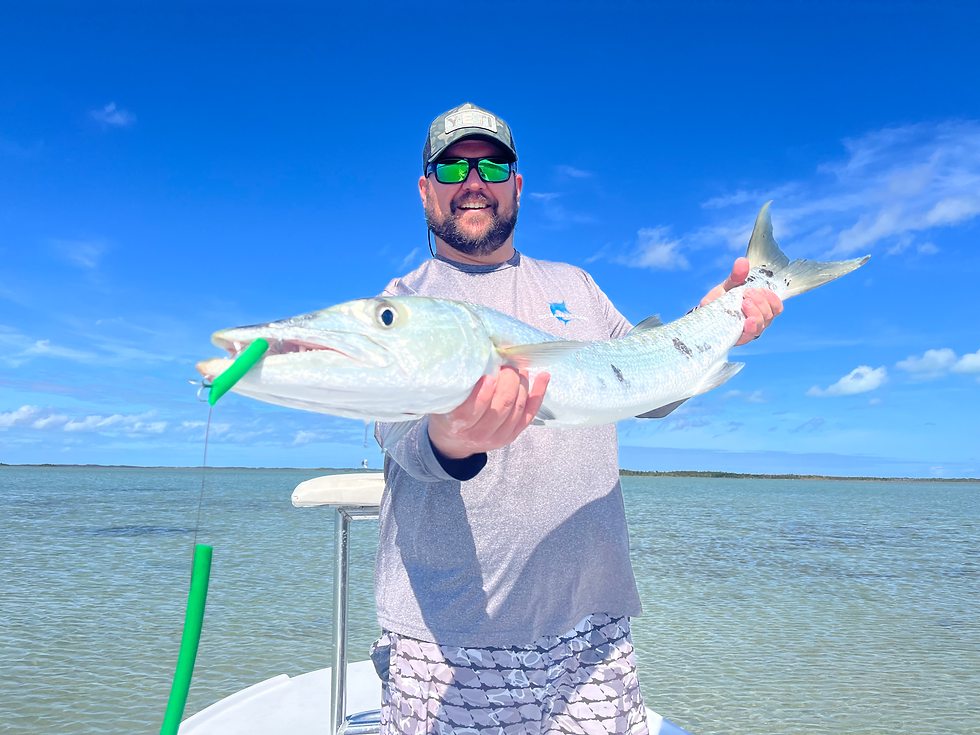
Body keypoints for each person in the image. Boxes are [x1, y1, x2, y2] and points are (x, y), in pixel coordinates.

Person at [372, 103, 782, 735]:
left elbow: (650, 388)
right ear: (426, 188)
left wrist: (713, 320)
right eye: (452, 165)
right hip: (452, 637)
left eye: (492, 164)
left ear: (517, 184)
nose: (472, 181)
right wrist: (452, 438)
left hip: (594, 632)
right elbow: (399, 436)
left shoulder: (578, 286)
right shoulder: (398, 307)